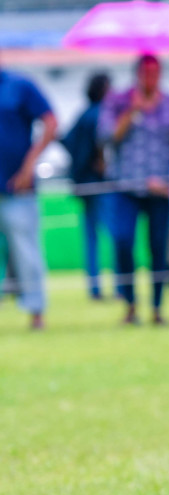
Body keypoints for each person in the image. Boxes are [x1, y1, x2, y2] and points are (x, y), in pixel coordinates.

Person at [100, 55, 169, 326]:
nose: (150, 78)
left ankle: (157, 308)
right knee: (123, 242)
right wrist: (131, 111)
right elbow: (106, 138)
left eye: (155, 72)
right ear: (136, 74)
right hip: (125, 185)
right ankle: (130, 305)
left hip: (160, 189)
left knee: (159, 247)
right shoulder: (117, 101)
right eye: (146, 72)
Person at [0, 59, 56, 330]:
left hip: (16, 187)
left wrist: (29, 166)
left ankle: (36, 312)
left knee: (26, 251)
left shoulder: (18, 85)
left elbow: (50, 120)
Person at [62, 72, 111, 299]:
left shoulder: (82, 115)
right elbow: (103, 141)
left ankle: (95, 288)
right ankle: (120, 287)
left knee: (91, 237)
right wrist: (97, 159)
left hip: (83, 183)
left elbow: (65, 139)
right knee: (113, 234)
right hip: (100, 183)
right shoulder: (101, 114)